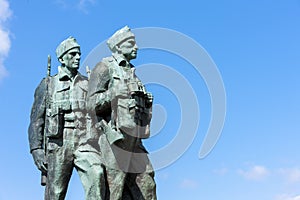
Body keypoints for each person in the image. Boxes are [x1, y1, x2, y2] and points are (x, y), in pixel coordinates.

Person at [28, 36, 106, 200]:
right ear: (62, 58)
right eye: (72, 54)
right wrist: (36, 150)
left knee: (97, 173)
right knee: (55, 193)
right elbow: (36, 121)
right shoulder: (49, 84)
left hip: (85, 141)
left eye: (78, 54)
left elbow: (100, 110)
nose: (77, 57)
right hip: (58, 143)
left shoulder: (88, 83)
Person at [87, 26, 157, 200]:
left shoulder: (133, 74)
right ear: (118, 46)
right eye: (131, 43)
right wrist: (113, 94)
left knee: (148, 183)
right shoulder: (104, 67)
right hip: (115, 139)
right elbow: (90, 103)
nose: (136, 47)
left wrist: (147, 102)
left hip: (135, 139)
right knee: (114, 190)